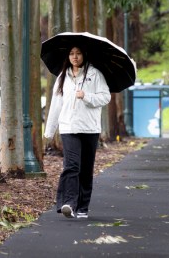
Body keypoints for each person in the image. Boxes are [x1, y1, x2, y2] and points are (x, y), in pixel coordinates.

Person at [44, 46, 111, 219]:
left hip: (89, 128)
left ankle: (82, 207)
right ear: (68, 56)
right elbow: (56, 104)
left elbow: (105, 97)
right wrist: (49, 131)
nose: (75, 57)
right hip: (68, 128)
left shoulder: (95, 74)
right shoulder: (62, 77)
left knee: (86, 169)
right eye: (72, 53)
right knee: (71, 166)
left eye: (79, 53)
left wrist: (86, 96)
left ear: (84, 55)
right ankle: (68, 203)